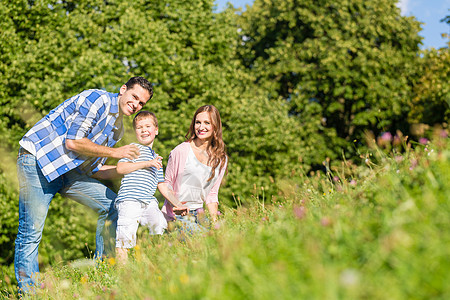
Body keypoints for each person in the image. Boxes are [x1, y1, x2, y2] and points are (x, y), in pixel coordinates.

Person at [15, 76, 153, 293]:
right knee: (31, 232)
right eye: (134, 97)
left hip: (68, 172)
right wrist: (117, 153)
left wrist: (134, 169)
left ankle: (104, 274)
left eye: (142, 103)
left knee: (112, 205)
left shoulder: (117, 129)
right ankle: (30, 293)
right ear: (123, 89)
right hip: (38, 161)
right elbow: (73, 141)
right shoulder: (97, 99)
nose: (136, 105)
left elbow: (94, 170)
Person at [114, 111, 187, 263]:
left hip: (148, 201)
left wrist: (178, 204)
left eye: (148, 126)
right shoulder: (133, 148)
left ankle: (153, 263)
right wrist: (147, 163)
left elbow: (162, 186)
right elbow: (120, 168)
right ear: (135, 132)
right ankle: (122, 275)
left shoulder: (156, 157)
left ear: (156, 130)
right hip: (130, 199)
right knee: (125, 237)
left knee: (160, 226)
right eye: (139, 127)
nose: (144, 129)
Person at [161, 105, 228, 233]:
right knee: (202, 239)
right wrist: (177, 205)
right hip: (177, 216)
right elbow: (166, 185)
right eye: (198, 122)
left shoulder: (221, 159)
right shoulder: (180, 151)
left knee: (218, 240)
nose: (201, 127)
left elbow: (212, 195)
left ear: (215, 127)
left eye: (207, 123)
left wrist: (215, 224)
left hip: (200, 214)